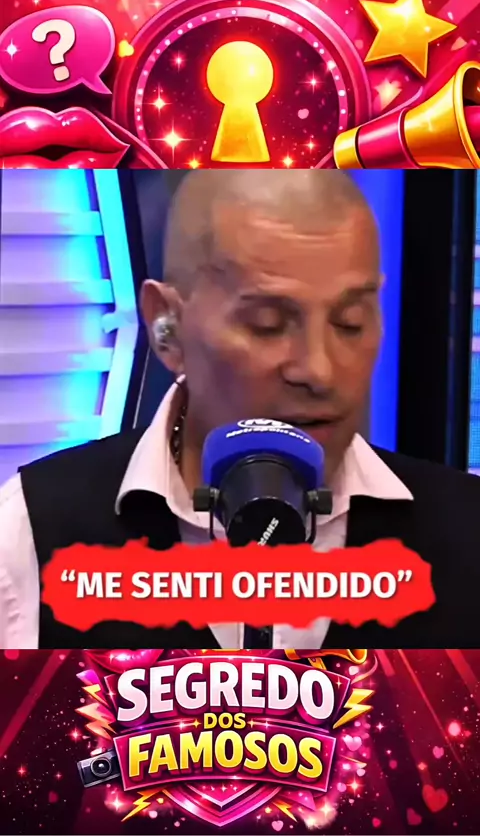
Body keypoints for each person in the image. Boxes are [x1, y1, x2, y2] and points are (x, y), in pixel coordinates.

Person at [0, 169, 479, 648]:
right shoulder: (32, 530)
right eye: (268, 324)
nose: (319, 370)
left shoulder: (466, 530)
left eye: (349, 322)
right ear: (167, 326)